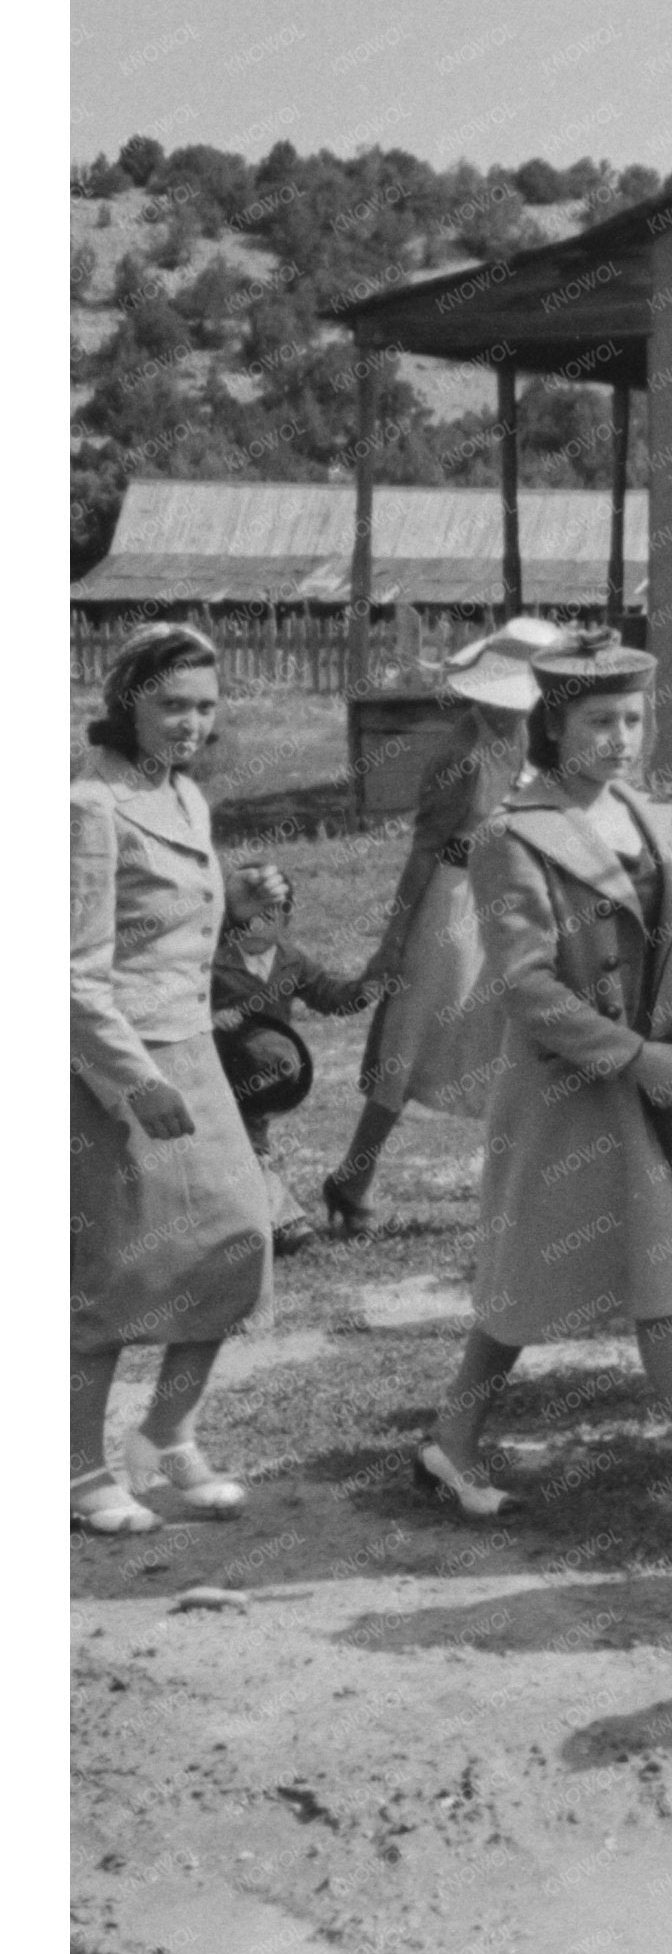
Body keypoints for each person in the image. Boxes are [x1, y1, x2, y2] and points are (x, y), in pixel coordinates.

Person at [412, 638, 672, 1539]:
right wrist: (635, 1054)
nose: (621, 738)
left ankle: (454, 1437)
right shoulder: (509, 835)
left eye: (634, 719)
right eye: (599, 721)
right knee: (559, 1272)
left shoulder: (654, 817)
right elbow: (526, 986)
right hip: (567, 1087)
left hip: (646, 1079)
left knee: (615, 1267)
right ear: (553, 723)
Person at [72, 624, 276, 1533]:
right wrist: (132, 1079)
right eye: (170, 705)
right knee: (111, 1271)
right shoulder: (88, 807)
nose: (190, 722)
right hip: (113, 1068)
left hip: (194, 1051)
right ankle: (78, 1472)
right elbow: (69, 971)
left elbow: (183, 929)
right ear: (128, 705)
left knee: (238, 1240)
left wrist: (250, 911)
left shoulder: (187, 796)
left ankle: (167, 1433)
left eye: (204, 705)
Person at [324, 617, 562, 1232]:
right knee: (414, 1036)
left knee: (510, 1034)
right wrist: (395, 941)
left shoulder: (531, 741)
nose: (507, 707)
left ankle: (516, 1186)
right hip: (451, 901)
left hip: (507, 894)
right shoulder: (460, 755)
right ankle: (354, 1177)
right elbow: (424, 852)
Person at [209, 860, 381, 1253]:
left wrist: (366, 989)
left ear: (286, 915)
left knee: (249, 1148)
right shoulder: (213, 960)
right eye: (242, 922)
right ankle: (289, 1227)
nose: (253, 930)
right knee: (246, 1150)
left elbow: (329, 995)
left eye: (267, 917)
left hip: (267, 1074)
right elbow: (184, 1004)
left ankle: (251, 1222)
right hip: (220, 1071)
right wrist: (213, 1017)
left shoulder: (291, 959)